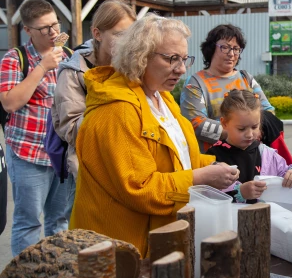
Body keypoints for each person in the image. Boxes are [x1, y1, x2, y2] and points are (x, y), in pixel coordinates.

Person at [70, 14, 239, 256]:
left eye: (183, 59)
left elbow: (177, 158)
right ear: (139, 55)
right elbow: (139, 188)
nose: (181, 69)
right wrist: (200, 177)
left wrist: (216, 166)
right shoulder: (117, 111)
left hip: (153, 243)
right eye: (171, 59)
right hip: (119, 256)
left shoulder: (161, 98)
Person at [52, 0, 136, 223]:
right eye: (118, 34)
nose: (125, 42)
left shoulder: (132, 66)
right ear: (98, 34)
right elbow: (70, 128)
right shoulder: (73, 72)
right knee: (86, 238)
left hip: (128, 167)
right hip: (86, 170)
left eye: (130, 35)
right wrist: (112, 115)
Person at [0, 0, 72, 256]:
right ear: (28, 30)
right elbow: (10, 103)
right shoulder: (15, 58)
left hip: (62, 155)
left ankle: (58, 276)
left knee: (60, 221)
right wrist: (42, 67)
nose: (53, 33)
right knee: (29, 221)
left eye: (55, 25)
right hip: (29, 153)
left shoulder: (70, 56)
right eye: (44, 29)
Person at [180, 24, 275, 153]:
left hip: (251, 157)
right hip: (213, 160)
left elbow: (268, 112)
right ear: (211, 48)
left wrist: (252, 132)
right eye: (225, 47)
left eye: (236, 49)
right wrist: (236, 134)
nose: (231, 54)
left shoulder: (246, 79)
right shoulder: (195, 83)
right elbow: (195, 123)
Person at [206, 89, 292, 203]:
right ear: (224, 123)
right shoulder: (213, 156)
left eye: (254, 127)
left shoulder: (267, 154)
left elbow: (288, 180)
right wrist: (240, 193)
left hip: (268, 218)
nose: (249, 134)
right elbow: (208, 196)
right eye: (241, 129)